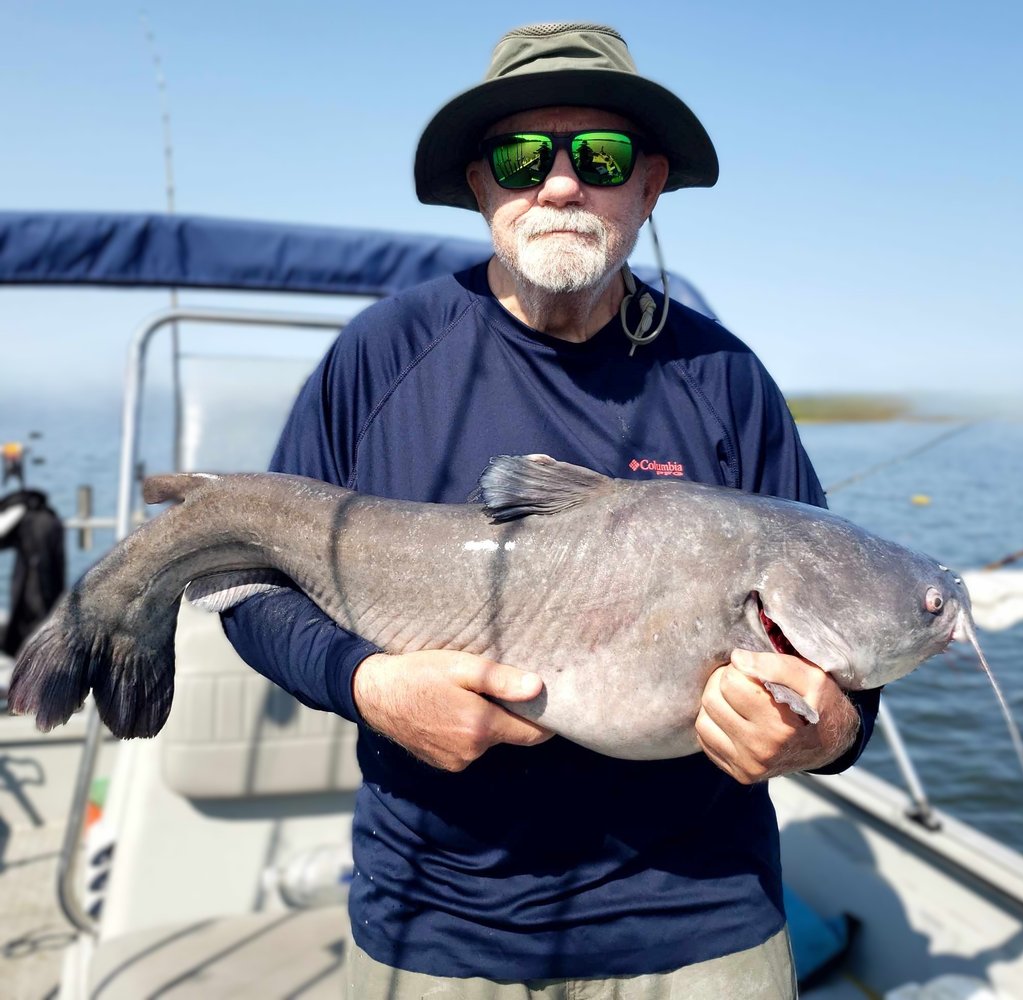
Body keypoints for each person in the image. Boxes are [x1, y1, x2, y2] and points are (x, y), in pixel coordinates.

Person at [224, 22, 880, 999]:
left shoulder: (725, 378)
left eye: (601, 157)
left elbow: (847, 631)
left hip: (700, 916)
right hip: (434, 917)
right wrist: (365, 685)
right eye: (523, 156)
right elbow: (249, 586)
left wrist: (825, 732)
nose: (562, 183)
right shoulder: (378, 355)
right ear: (482, 185)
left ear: (648, 185)